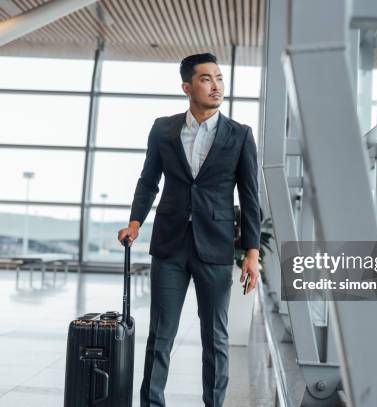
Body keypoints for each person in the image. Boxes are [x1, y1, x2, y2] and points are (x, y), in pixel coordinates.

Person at [117, 53, 261, 407]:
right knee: (160, 335)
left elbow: (250, 196)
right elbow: (149, 180)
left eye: (220, 78)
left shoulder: (240, 135)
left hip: (215, 246)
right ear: (187, 86)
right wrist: (135, 221)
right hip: (169, 245)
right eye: (206, 79)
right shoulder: (163, 129)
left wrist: (252, 253)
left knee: (216, 339)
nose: (216, 86)